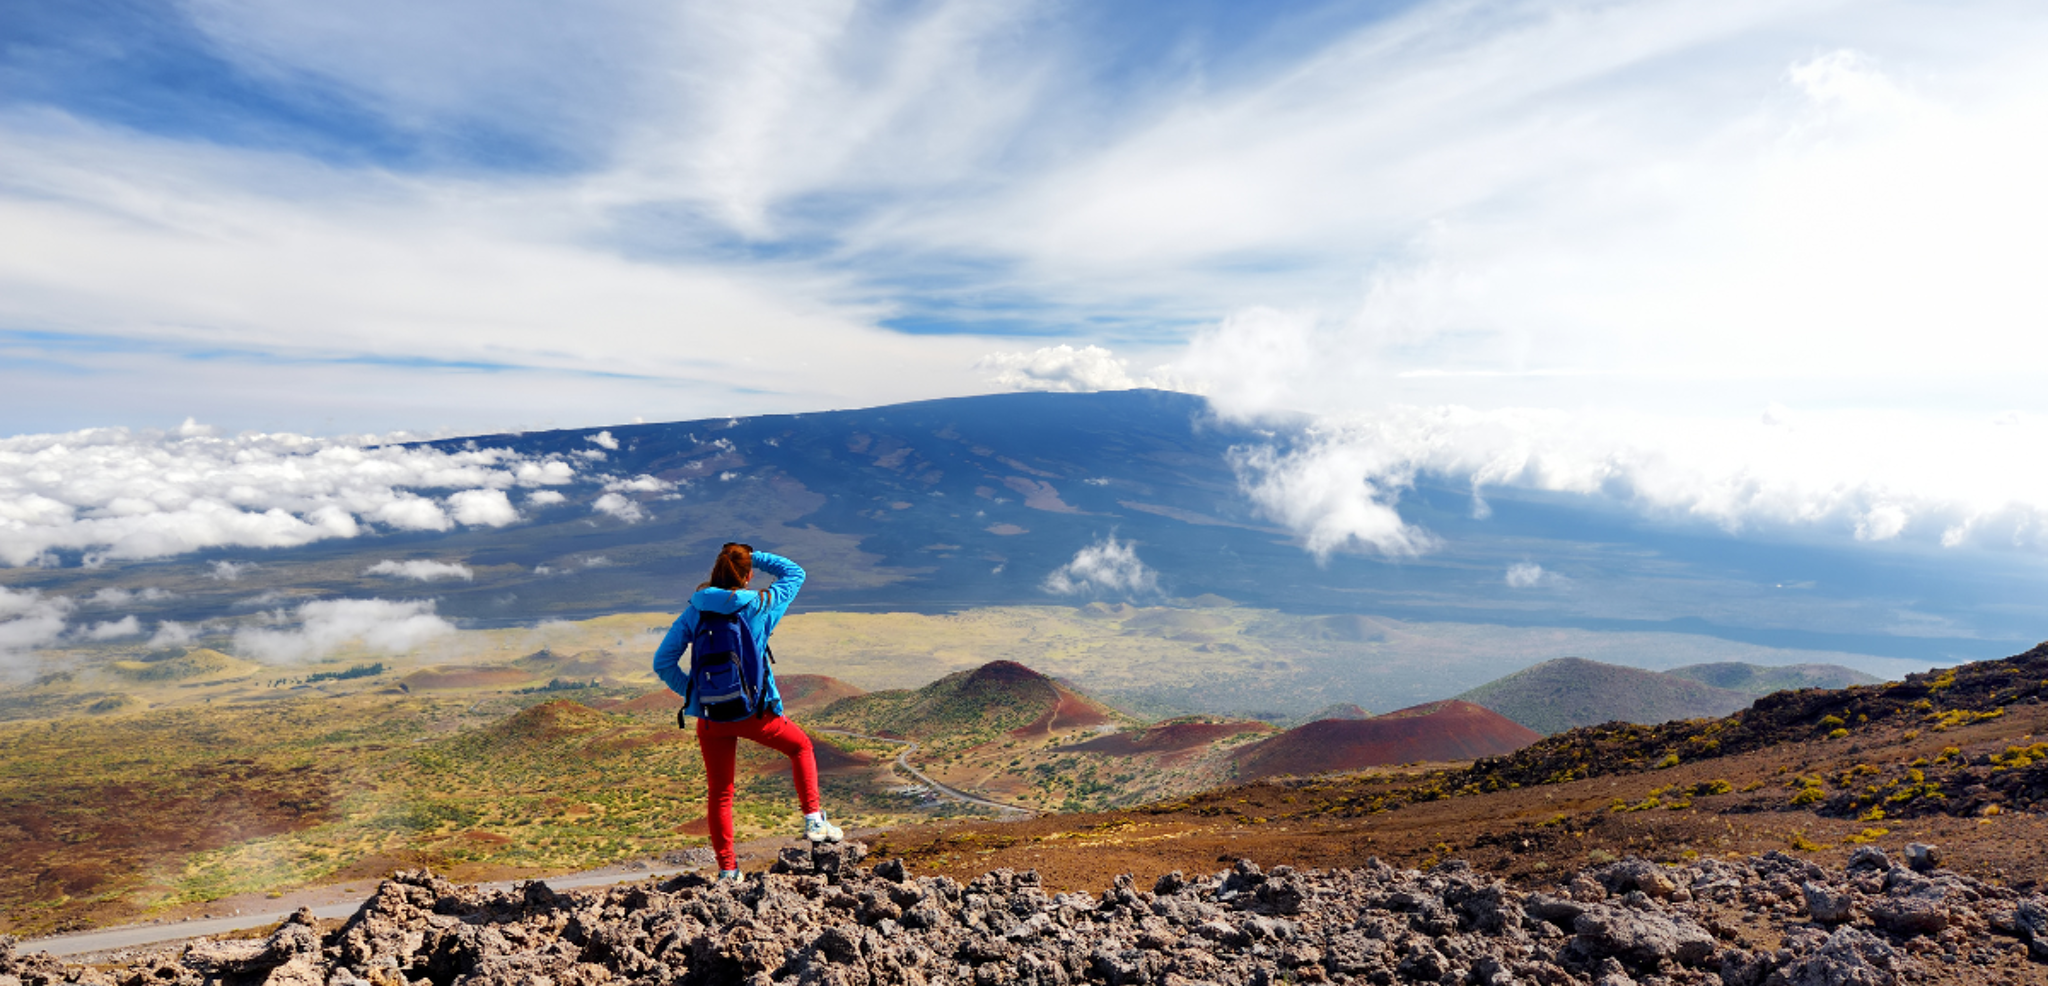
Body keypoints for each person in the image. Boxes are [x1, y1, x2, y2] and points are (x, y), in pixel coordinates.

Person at [653, 543, 842, 881]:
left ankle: (728, 871)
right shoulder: (761, 604)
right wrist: (752, 557)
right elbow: (795, 572)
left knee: (720, 793)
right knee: (800, 747)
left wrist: (697, 697)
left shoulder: (695, 610)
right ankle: (814, 820)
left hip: (711, 719)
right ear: (748, 574)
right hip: (754, 713)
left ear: (717, 570)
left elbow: (663, 662)